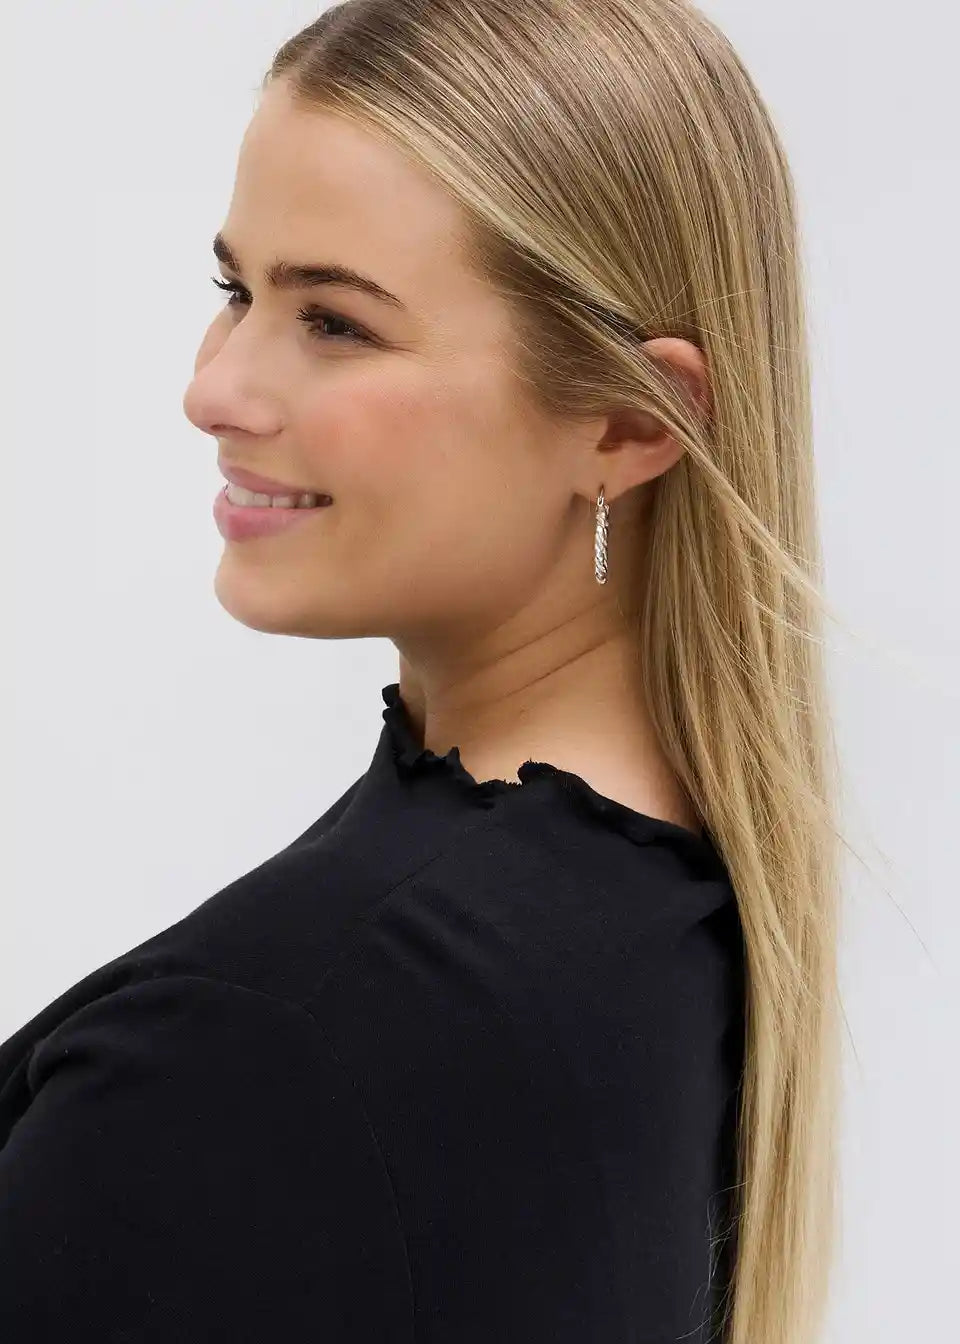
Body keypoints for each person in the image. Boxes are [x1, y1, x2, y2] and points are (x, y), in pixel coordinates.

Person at [0, 3, 844, 1342]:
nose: (213, 390)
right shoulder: (677, 928)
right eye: (236, 293)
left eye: (336, 322)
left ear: (630, 421)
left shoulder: (258, 1052)